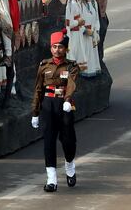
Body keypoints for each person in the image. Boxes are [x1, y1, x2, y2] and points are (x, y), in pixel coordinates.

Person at [31, 31, 79, 192]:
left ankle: (70, 166)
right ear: (51, 48)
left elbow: (71, 84)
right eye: (54, 47)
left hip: (64, 105)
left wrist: (67, 99)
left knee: (68, 141)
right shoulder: (44, 66)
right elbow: (38, 89)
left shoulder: (71, 66)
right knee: (49, 142)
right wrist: (35, 112)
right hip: (48, 105)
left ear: (66, 49)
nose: (57, 50)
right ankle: (51, 179)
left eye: (60, 47)